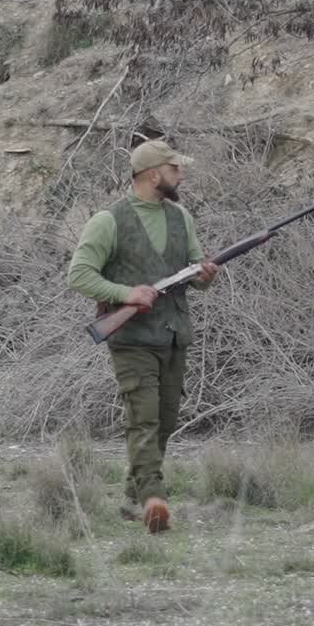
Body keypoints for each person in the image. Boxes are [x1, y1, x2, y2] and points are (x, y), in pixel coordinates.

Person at [67, 140, 219, 533]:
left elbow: (195, 273)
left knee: (165, 421)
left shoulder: (181, 216)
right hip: (132, 339)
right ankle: (154, 498)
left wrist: (204, 277)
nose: (180, 174)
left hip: (173, 336)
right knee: (144, 421)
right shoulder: (109, 220)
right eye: (174, 169)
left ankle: (133, 501)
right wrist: (126, 294)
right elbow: (79, 274)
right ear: (154, 174)